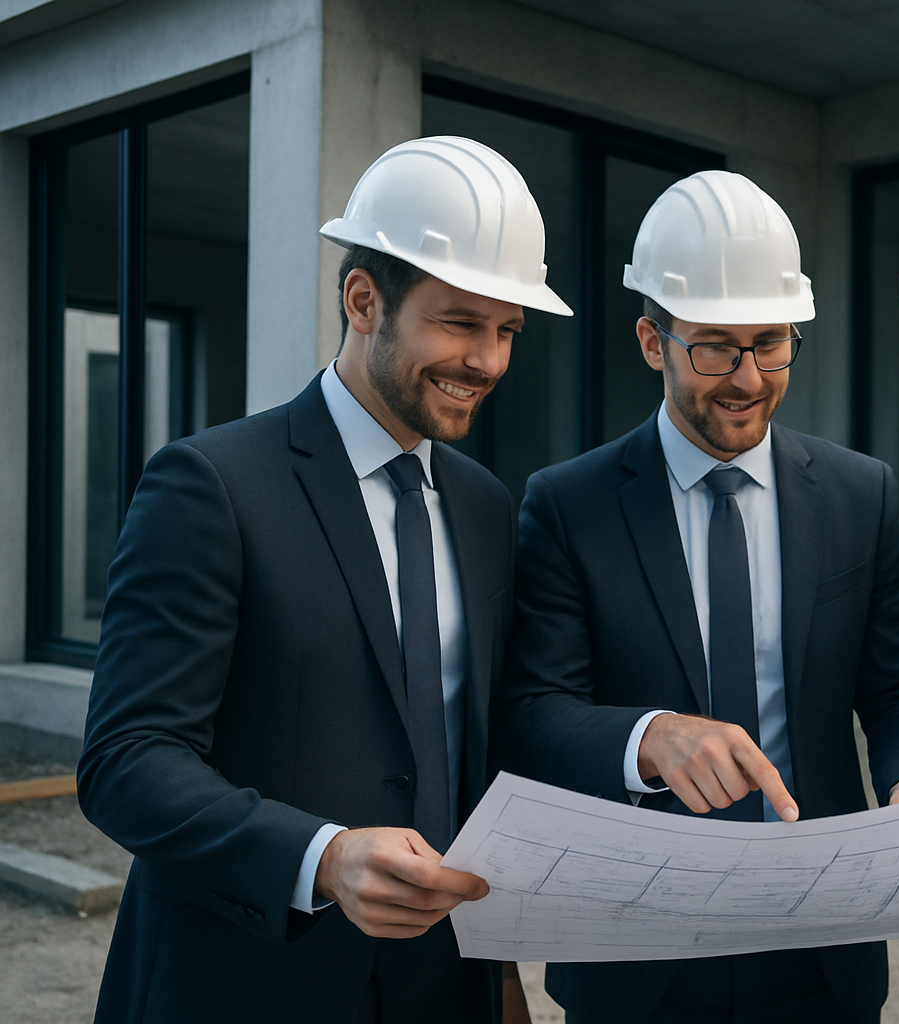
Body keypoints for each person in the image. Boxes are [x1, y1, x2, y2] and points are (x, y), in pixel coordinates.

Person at [76, 136, 572, 1024]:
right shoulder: (212, 485)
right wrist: (321, 856)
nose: (490, 361)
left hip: (439, 992)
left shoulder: (489, 507)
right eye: (461, 322)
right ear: (362, 299)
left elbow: (474, 754)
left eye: (507, 331)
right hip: (244, 985)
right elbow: (127, 761)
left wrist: (495, 969)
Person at [500, 169, 899, 1024]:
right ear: (650, 340)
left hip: (824, 946)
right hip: (636, 955)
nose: (747, 377)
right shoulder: (568, 504)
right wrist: (648, 739)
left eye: (771, 342)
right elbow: (530, 714)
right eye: (714, 346)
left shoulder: (864, 496)